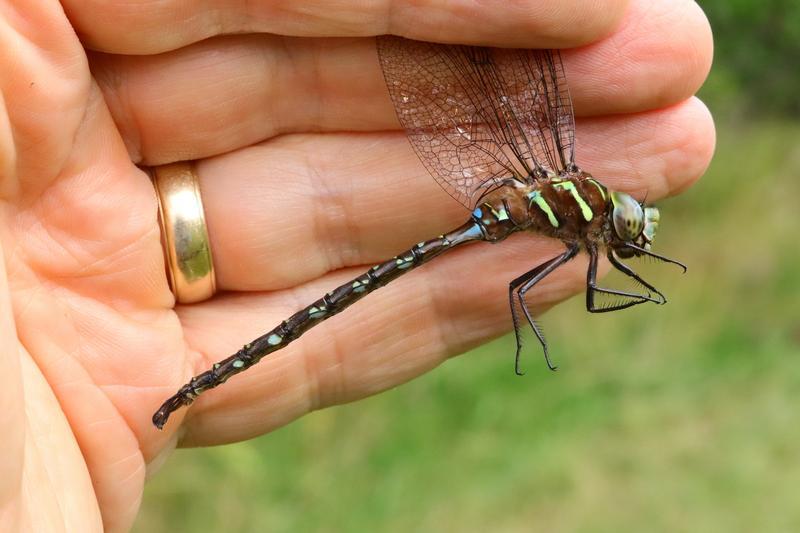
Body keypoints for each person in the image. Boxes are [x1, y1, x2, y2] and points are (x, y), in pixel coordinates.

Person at [0, 0, 714, 531]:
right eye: (629, 228)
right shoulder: (582, 220)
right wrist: (639, 294)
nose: (630, 233)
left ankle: (186, 389)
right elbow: (582, 293)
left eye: (631, 231)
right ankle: (196, 384)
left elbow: (541, 291)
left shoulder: (575, 202)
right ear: (604, 219)